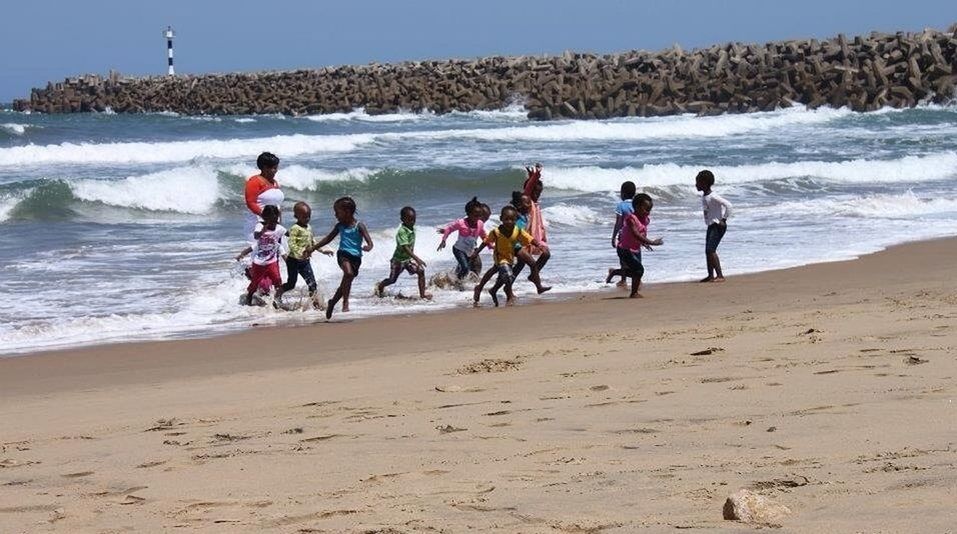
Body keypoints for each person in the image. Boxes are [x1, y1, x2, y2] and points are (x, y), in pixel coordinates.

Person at [471, 205, 549, 307]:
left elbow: (529, 239)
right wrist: (476, 253)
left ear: (515, 220)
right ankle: (509, 296)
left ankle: (481, 287)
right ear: (501, 219)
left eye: (512, 219)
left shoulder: (517, 231)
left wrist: (539, 246)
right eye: (506, 219)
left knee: (495, 270)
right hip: (500, 257)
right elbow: (486, 242)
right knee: (507, 275)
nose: (509, 222)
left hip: (509, 256)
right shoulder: (496, 232)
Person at [313, 197, 374, 319]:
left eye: (337, 212)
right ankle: (345, 302)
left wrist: (368, 246)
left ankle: (333, 302)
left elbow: (370, 242)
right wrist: (314, 247)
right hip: (343, 255)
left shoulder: (359, 226)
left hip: (356, 258)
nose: (335, 215)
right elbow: (328, 238)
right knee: (349, 273)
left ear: (347, 212)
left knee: (345, 283)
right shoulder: (339, 226)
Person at [605, 193, 663, 298]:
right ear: (636, 207)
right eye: (646, 209)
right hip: (624, 249)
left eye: (649, 210)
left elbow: (641, 233)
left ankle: (615, 272)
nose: (648, 212)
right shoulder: (631, 219)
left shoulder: (645, 219)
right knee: (639, 270)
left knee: (636, 271)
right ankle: (633, 293)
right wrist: (652, 242)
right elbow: (635, 234)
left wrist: (644, 243)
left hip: (634, 248)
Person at [282, 201, 333, 306]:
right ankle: (277, 294)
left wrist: (323, 250)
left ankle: (315, 304)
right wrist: (300, 253)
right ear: (296, 216)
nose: (307, 219)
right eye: (304, 216)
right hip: (293, 261)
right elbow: (291, 244)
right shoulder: (295, 228)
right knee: (291, 284)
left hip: (305, 262)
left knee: (312, 284)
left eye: (308, 216)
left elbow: (312, 242)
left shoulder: (309, 227)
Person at [236, 205, 287, 305]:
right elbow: (255, 238)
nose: (273, 223)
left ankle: (278, 300)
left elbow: (289, 235)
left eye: (275, 219)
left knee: (277, 281)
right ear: (265, 218)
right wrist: (242, 254)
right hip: (259, 263)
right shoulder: (259, 226)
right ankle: (249, 296)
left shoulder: (279, 228)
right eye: (270, 220)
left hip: (272, 262)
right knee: (255, 283)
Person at [377, 206, 431, 300]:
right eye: (409, 220)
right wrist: (417, 259)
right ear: (402, 219)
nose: (412, 222)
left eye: (414, 219)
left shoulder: (412, 229)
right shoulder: (402, 231)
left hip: (407, 260)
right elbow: (405, 248)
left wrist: (412, 258)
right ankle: (380, 286)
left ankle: (422, 295)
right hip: (397, 261)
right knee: (392, 280)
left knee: (421, 271)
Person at [695, 170, 732, 283]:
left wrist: (724, 219)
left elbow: (729, 205)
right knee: (708, 251)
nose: (696, 185)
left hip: (717, 226)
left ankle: (720, 275)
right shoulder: (705, 196)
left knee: (711, 250)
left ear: (705, 183)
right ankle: (710, 275)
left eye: (698, 182)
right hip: (711, 226)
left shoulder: (713, 196)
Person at [437, 197, 486, 280]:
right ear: (468, 213)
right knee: (465, 268)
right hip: (458, 250)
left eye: (479, 215)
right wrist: (444, 240)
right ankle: (459, 284)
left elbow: (484, 236)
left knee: (465, 267)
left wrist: (492, 246)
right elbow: (450, 228)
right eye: (475, 215)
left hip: (470, 250)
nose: (478, 218)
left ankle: (452, 279)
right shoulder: (461, 223)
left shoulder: (480, 224)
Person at [244, 152, 284, 242]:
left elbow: (277, 205)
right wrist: (266, 217)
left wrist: (278, 221)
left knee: (276, 252)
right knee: (259, 252)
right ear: (265, 168)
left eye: (276, 167)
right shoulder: (254, 181)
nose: (276, 170)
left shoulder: (274, 182)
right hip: (258, 224)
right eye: (274, 168)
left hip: (274, 225)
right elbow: (251, 203)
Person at [519, 162, 551, 276]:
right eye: (535, 192)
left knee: (546, 253)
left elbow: (539, 224)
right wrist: (536, 174)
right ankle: (507, 283)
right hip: (526, 239)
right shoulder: (528, 202)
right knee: (520, 265)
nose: (537, 195)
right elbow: (529, 187)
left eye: (539, 193)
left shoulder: (536, 204)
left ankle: (534, 275)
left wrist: (543, 236)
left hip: (536, 238)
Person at [608, 181, 637, 287]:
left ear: (622, 193)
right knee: (635, 257)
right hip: (636, 235)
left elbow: (618, 223)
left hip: (624, 237)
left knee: (623, 259)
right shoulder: (636, 205)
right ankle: (637, 277)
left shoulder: (621, 206)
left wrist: (613, 237)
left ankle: (623, 279)